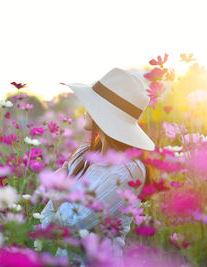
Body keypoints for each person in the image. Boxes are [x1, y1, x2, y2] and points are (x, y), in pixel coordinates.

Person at [39, 67, 155, 266]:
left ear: (105, 114)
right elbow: (46, 219)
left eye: (93, 104)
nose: (86, 108)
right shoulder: (83, 154)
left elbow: (71, 225)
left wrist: (58, 186)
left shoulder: (129, 170)